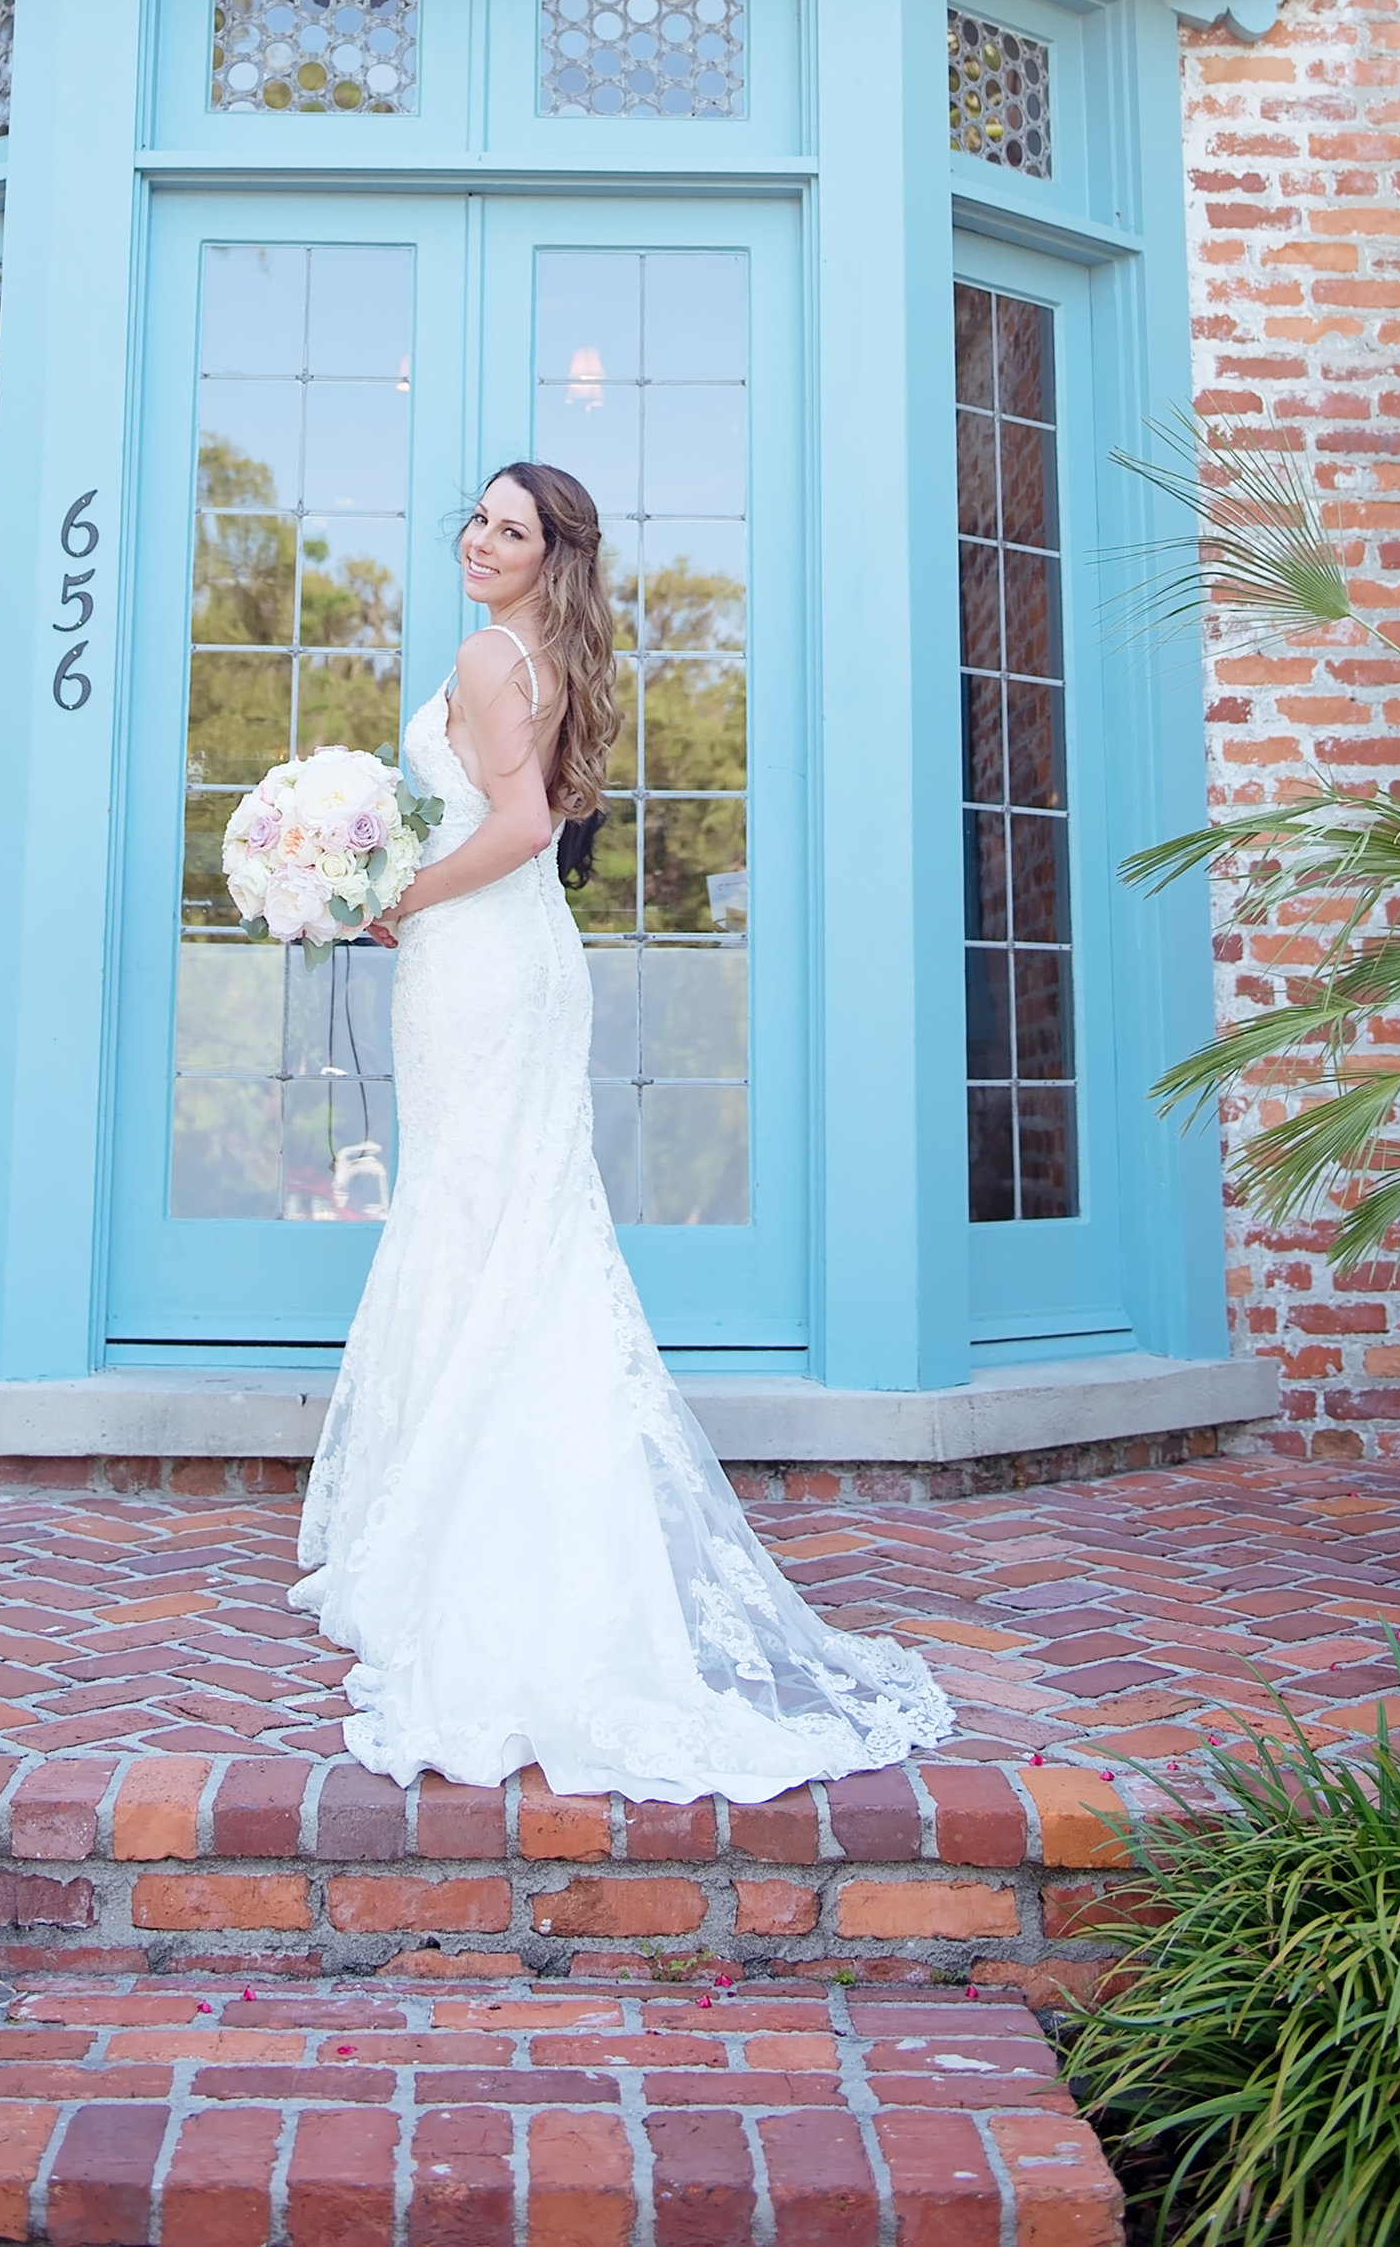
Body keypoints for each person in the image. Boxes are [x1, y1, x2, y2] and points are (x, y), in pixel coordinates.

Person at [289, 460, 955, 1802]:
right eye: (476, 517)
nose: (480, 539)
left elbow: (524, 828)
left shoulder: (490, 653)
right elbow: (519, 813)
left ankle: (480, 1543)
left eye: (510, 528)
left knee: (486, 1213)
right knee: (513, 1219)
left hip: (482, 963)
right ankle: (503, 1513)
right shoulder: (549, 653)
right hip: (519, 968)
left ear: (552, 554)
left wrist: (399, 892)